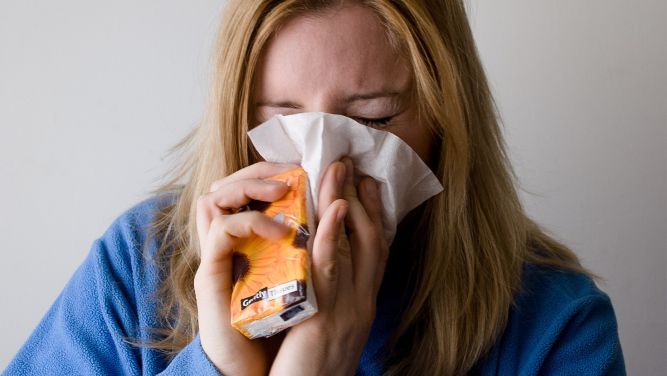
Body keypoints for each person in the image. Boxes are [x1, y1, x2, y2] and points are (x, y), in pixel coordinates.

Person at [5, 1, 625, 375]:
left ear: (445, 122)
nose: (324, 168)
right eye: (282, 121)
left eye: (375, 120)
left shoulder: (553, 326)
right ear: (237, 116)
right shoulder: (139, 269)